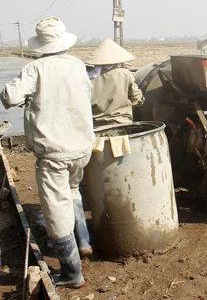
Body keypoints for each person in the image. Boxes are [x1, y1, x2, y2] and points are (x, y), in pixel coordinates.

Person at [1, 17, 94, 287]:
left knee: (55, 210)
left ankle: (71, 272)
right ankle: (84, 241)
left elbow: (9, 97)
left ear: (41, 44)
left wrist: (29, 98)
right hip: (81, 147)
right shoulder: (77, 65)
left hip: (54, 152)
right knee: (73, 190)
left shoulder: (35, 68)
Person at [85, 38, 145, 128]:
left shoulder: (88, 77)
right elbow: (137, 100)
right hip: (121, 124)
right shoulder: (125, 74)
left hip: (95, 126)